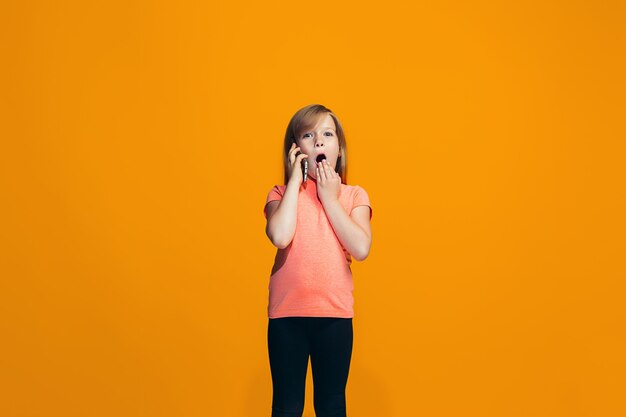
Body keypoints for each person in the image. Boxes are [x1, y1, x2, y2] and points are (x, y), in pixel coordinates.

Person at [263, 104, 373, 417]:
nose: (319, 142)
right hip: (286, 315)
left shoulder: (354, 196)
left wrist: (328, 196)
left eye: (327, 134)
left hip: (334, 315)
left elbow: (361, 248)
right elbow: (281, 236)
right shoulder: (280, 194)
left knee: (331, 404)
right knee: (286, 406)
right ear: (295, 150)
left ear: (339, 148)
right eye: (309, 135)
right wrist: (296, 183)